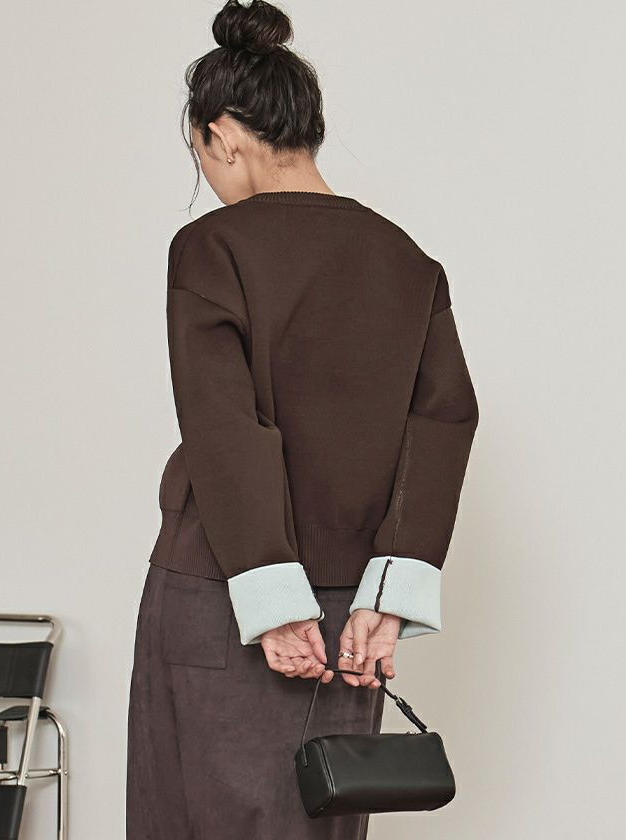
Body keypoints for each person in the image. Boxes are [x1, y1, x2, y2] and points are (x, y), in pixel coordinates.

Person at [126, 1, 479, 838]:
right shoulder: (406, 260)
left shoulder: (213, 248)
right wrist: (385, 599)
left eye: (200, 153)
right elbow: (443, 422)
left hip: (222, 596)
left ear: (223, 136)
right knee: (319, 819)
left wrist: (272, 597)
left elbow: (224, 425)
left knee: (193, 819)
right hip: (351, 616)